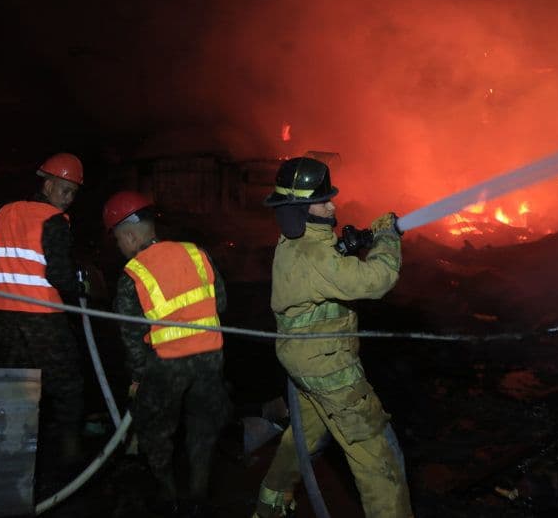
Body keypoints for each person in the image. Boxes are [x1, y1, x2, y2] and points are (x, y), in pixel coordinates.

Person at [253, 157, 413, 518]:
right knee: (378, 456)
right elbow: (376, 280)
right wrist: (387, 239)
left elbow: (323, 268)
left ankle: (270, 506)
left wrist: (347, 246)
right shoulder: (313, 255)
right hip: (331, 371)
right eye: (323, 201)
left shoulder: (294, 243)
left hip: (306, 367)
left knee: (303, 438)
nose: (333, 205)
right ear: (298, 209)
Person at [103, 191, 231, 516]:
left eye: (119, 241)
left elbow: (131, 336)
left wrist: (136, 379)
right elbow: (221, 304)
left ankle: (168, 495)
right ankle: (198, 497)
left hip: (165, 366)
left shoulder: (133, 274)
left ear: (130, 236)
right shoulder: (196, 253)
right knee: (203, 427)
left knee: (155, 428)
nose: (120, 249)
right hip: (210, 359)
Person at [0, 152, 86, 461]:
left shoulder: (4, 213)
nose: (68, 199)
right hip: (44, 319)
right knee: (68, 386)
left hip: (2, 321)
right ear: (48, 185)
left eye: (73, 194)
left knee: (17, 384)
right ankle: (71, 453)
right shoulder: (54, 220)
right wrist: (81, 287)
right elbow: (59, 274)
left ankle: (12, 451)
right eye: (65, 190)